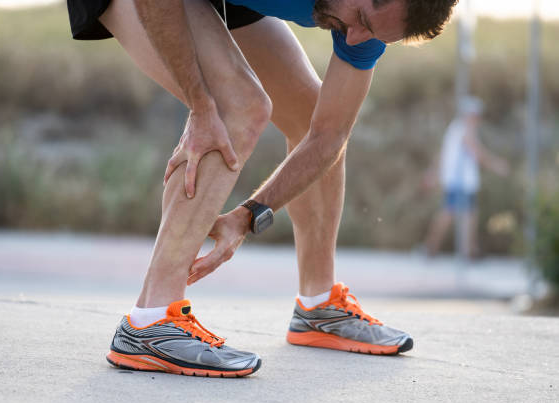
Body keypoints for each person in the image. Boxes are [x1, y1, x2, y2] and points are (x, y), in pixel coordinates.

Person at [67, 0, 458, 377]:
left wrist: (248, 216)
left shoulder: (368, 26)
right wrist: (202, 106)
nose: (355, 38)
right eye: (360, 19)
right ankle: (151, 321)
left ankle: (318, 306)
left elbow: (328, 135)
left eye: (374, 35)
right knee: (237, 104)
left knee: (309, 114)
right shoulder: (366, 18)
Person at [424, 96, 509, 258]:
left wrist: (434, 172)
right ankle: (435, 248)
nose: (477, 118)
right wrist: (497, 165)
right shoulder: (463, 129)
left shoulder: (455, 128)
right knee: (451, 214)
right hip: (459, 181)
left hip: (459, 181)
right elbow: (476, 151)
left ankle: (467, 250)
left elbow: (442, 154)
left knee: (468, 214)